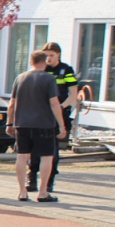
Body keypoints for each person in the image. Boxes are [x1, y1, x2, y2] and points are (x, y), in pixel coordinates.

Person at [6, 49, 66, 203]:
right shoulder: (49, 79)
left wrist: (10, 123)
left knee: (22, 156)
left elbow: (12, 104)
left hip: (22, 124)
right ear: (45, 62)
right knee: (46, 157)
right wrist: (61, 125)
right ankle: (43, 192)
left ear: (31, 62)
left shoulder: (20, 78)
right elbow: (54, 103)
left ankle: (22, 192)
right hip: (44, 124)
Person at [42, 44, 89, 185]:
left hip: (58, 112)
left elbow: (73, 94)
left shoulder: (66, 70)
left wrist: (61, 107)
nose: (48, 58)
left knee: (53, 147)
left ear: (58, 55)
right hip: (42, 112)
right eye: (46, 55)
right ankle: (32, 176)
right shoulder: (42, 69)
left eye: (51, 55)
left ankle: (50, 179)